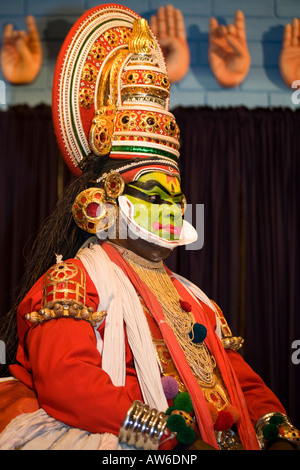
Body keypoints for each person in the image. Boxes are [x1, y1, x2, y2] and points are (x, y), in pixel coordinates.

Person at [0, 4, 299, 451]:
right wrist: (165, 436)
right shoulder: (70, 283)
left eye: (177, 198)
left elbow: (242, 382)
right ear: (103, 201)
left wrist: (277, 432)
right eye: (157, 194)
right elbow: (69, 385)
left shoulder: (196, 303)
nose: (174, 210)